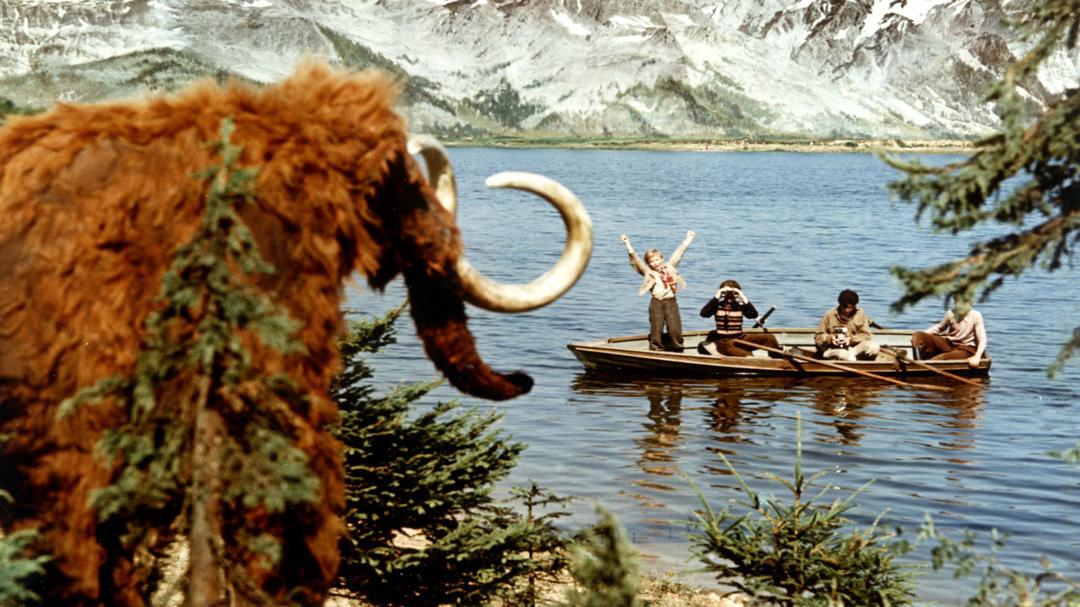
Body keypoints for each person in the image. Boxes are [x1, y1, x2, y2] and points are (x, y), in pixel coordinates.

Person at [620, 231, 695, 351]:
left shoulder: (670, 267)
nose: (655, 263)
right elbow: (635, 260)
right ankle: (656, 346)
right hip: (656, 302)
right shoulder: (648, 272)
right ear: (648, 263)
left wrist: (689, 238)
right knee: (656, 326)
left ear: (662, 259)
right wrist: (627, 244)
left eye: (657, 260)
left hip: (671, 302)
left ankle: (677, 346)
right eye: (651, 261)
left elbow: (679, 253)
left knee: (674, 326)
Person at [696, 279, 781, 357]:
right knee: (749, 357)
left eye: (733, 293)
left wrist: (742, 296)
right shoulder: (717, 305)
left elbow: (753, 315)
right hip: (724, 343)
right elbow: (704, 314)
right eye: (727, 293)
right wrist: (718, 295)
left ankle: (777, 359)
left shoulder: (740, 306)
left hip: (741, 338)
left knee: (769, 338)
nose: (730, 296)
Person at [911, 300, 987, 367]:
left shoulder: (976, 316)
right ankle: (918, 359)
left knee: (941, 358)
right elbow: (939, 328)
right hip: (949, 344)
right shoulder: (951, 313)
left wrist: (977, 357)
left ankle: (925, 365)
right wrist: (922, 335)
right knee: (918, 335)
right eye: (958, 302)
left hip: (966, 349)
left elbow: (982, 339)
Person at [814, 289, 882, 361]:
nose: (847, 311)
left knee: (874, 347)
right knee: (848, 357)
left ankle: (864, 363)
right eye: (844, 307)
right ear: (840, 305)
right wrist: (830, 339)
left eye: (850, 308)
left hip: (853, 348)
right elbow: (818, 337)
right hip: (833, 349)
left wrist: (851, 339)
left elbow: (866, 335)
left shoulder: (860, 313)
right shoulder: (829, 315)